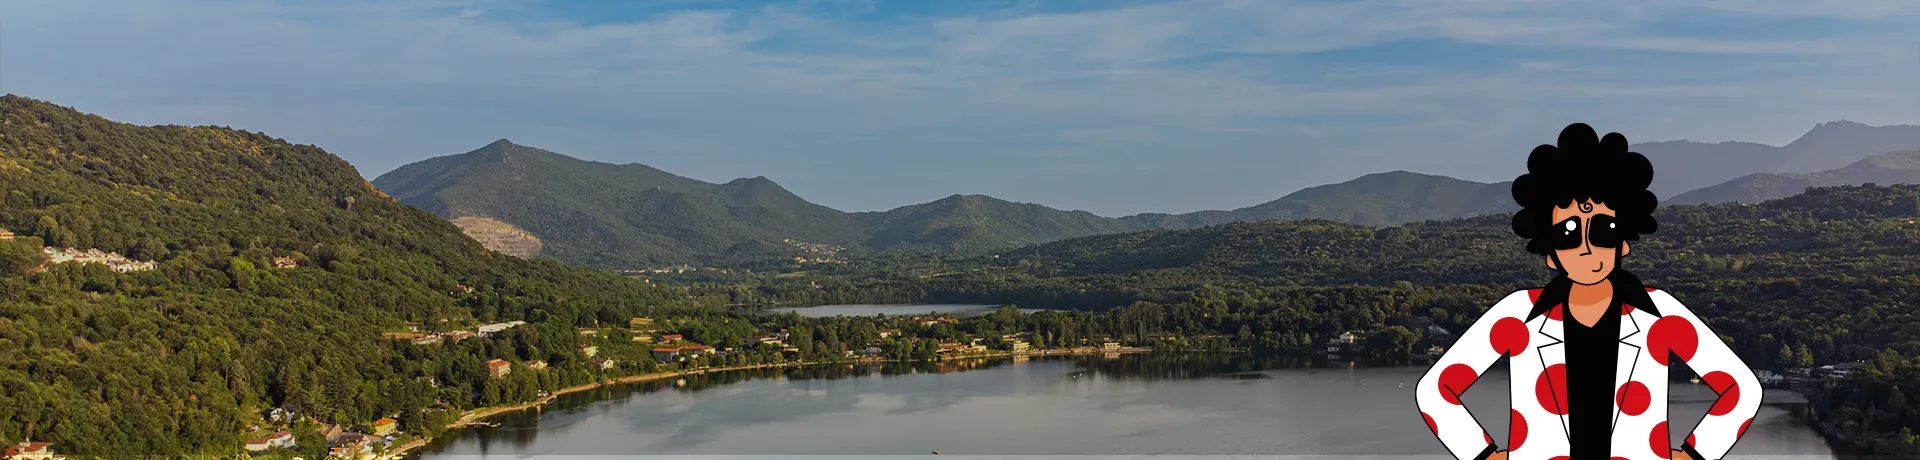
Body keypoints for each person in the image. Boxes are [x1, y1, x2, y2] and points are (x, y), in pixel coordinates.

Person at [1414, 123, 1761, 460]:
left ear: (1623, 243)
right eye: (1568, 234)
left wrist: (1694, 455)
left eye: (1603, 230)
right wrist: (1484, 455)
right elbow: (1436, 391)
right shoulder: (1517, 314)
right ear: (1550, 252)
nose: (1586, 247)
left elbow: (1742, 389)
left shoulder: (1659, 314)